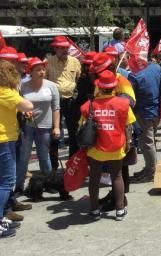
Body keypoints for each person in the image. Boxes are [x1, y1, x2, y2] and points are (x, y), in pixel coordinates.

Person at [82, 71, 136, 221]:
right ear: (114, 87)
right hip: (116, 146)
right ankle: (119, 210)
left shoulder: (88, 105)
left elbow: (81, 125)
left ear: (98, 87)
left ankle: (94, 210)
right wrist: (128, 143)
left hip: (95, 148)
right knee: (117, 177)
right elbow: (128, 127)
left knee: (94, 178)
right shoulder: (123, 104)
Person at [15, 58, 61, 194]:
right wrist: (23, 111)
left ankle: (48, 183)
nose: (42, 72)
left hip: (45, 127)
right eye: (38, 70)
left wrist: (57, 127)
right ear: (30, 71)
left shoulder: (52, 86)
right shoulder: (22, 86)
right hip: (27, 127)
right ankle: (19, 186)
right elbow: (17, 104)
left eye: (43, 69)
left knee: (44, 156)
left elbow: (56, 108)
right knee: (24, 158)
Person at [0, 60, 33, 238]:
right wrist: (16, 89)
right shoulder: (5, 91)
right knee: (6, 182)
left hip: (5, 138)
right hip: (4, 139)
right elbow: (28, 105)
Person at [45, 35, 82, 166]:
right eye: (61, 48)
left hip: (71, 101)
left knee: (74, 133)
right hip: (54, 102)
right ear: (55, 49)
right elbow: (43, 81)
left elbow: (78, 79)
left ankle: (72, 163)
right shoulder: (48, 61)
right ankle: (54, 165)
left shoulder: (75, 61)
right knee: (54, 133)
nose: (65, 50)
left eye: (66, 48)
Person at [129, 60, 161, 182]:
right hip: (155, 109)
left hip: (143, 112)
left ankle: (151, 171)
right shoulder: (156, 67)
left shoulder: (134, 75)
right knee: (151, 141)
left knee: (147, 143)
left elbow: (130, 96)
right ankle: (150, 167)